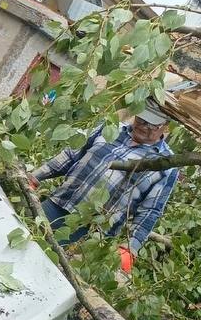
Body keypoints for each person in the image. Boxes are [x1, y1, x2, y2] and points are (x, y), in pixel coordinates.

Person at [29, 105, 178, 274]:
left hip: (91, 232)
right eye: (141, 119)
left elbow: (150, 210)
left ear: (165, 126)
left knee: (46, 269)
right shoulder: (108, 128)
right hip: (58, 204)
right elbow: (72, 154)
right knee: (23, 238)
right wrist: (35, 177)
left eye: (151, 125)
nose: (143, 126)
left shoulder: (167, 165)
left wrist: (132, 247)